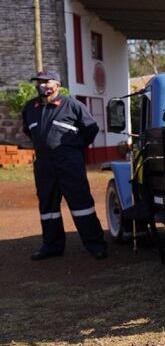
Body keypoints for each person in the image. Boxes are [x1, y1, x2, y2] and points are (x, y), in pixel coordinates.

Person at [21, 70, 108, 260]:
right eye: (39, 82)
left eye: (46, 81)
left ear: (57, 85)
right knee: (48, 208)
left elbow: (91, 129)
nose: (42, 85)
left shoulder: (73, 106)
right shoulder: (30, 108)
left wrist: (74, 147)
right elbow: (29, 131)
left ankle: (95, 245)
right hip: (44, 166)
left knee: (82, 204)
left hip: (69, 164)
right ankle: (52, 246)